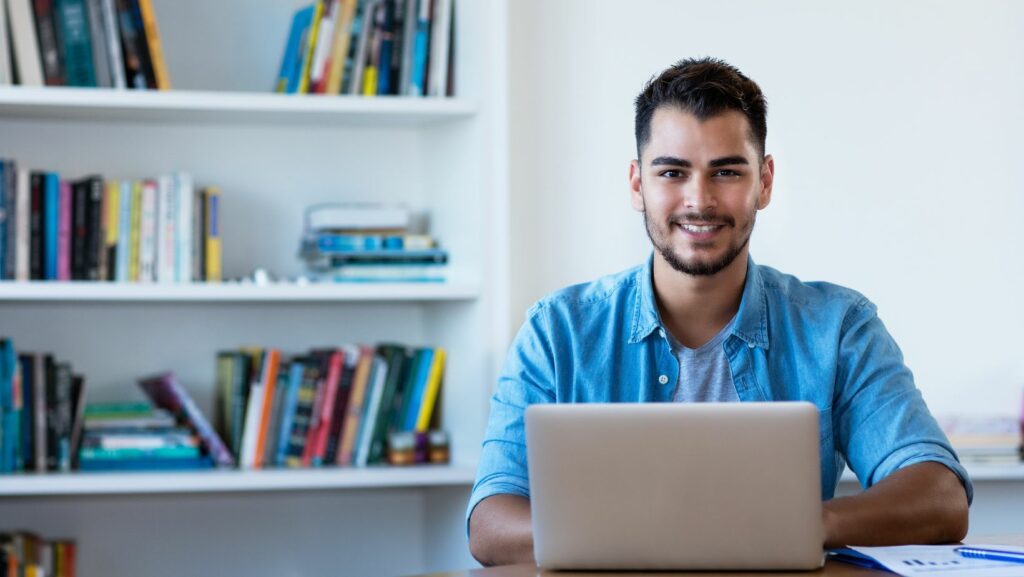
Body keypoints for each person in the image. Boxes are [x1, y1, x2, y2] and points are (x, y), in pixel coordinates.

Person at [466, 57, 972, 567]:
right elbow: (489, 522)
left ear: (765, 181)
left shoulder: (839, 327)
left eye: (726, 171)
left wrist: (799, 523)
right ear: (638, 184)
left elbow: (940, 497)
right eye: (672, 172)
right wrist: (655, 531)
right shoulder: (557, 331)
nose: (699, 200)